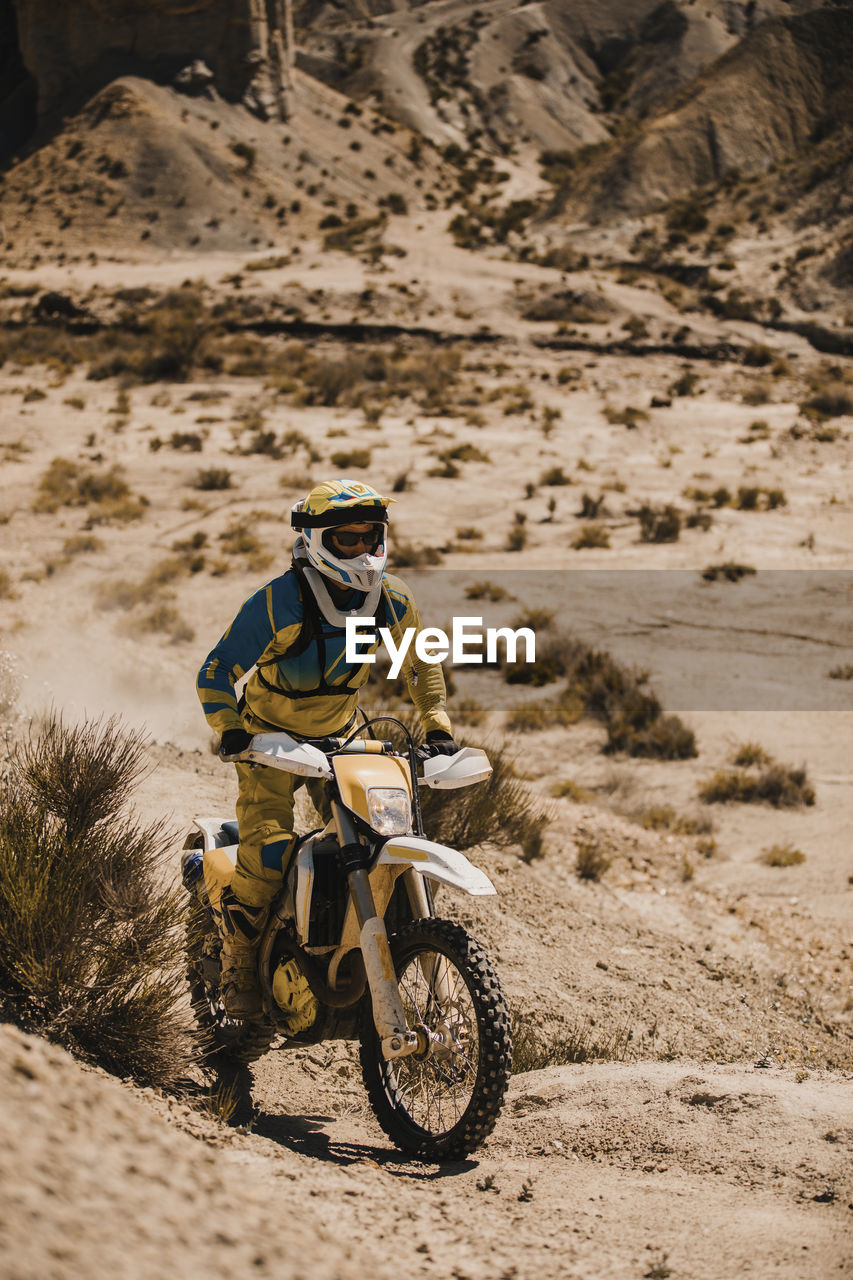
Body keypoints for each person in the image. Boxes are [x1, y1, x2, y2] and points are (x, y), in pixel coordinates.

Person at [196, 477, 459, 1019]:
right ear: (316, 539)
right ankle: (237, 966)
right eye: (347, 539)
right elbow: (217, 671)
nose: (362, 550)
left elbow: (421, 663)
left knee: (378, 835)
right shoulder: (279, 602)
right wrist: (232, 730)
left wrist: (437, 727)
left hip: (339, 737)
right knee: (267, 855)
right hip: (269, 740)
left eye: (371, 536)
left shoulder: (391, 599)